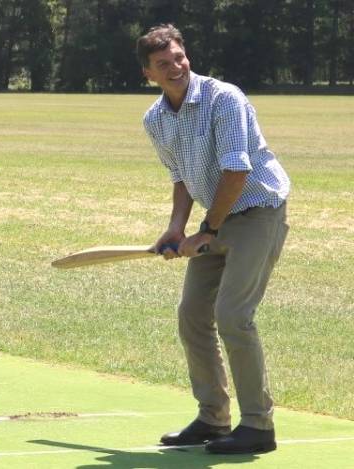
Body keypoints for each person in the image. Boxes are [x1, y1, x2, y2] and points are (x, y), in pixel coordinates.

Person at [136, 25, 290, 454]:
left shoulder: (224, 98)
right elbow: (182, 175)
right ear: (148, 74)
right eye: (163, 64)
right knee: (192, 315)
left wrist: (207, 231)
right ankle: (213, 418)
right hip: (216, 218)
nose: (176, 67)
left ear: (187, 55)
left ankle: (258, 426)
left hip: (258, 212)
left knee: (233, 315)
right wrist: (176, 227)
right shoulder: (155, 119)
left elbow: (237, 171)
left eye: (179, 58)